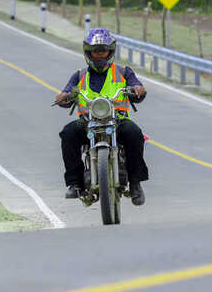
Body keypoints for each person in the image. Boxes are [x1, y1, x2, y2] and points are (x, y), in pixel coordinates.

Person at [54, 28, 148, 205]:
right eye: (95, 51)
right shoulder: (79, 75)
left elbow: (137, 87)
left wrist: (138, 89)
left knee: (134, 133)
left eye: (102, 51)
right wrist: (63, 97)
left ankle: (136, 183)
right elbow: (66, 93)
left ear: (110, 51)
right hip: (87, 122)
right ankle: (75, 183)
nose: (98, 55)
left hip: (118, 120)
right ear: (88, 53)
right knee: (68, 133)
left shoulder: (123, 72)